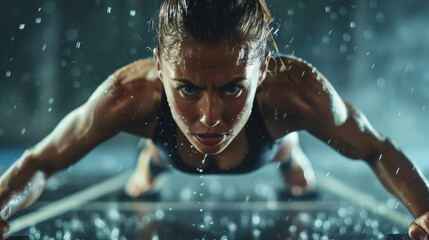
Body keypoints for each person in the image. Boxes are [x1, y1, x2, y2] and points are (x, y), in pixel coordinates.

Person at [0, 0, 428, 239]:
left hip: (269, 145)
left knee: (287, 157)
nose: (210, 116)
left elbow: (376, 148)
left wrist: (426, 211)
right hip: (170, 151)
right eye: (187, 88)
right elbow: (41, 161)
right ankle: (149, 162)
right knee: (153, 166)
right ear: (160, 68)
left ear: (262, 70)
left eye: (232, 89)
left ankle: (290, 154)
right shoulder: (126, 96)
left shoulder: (297, 92)